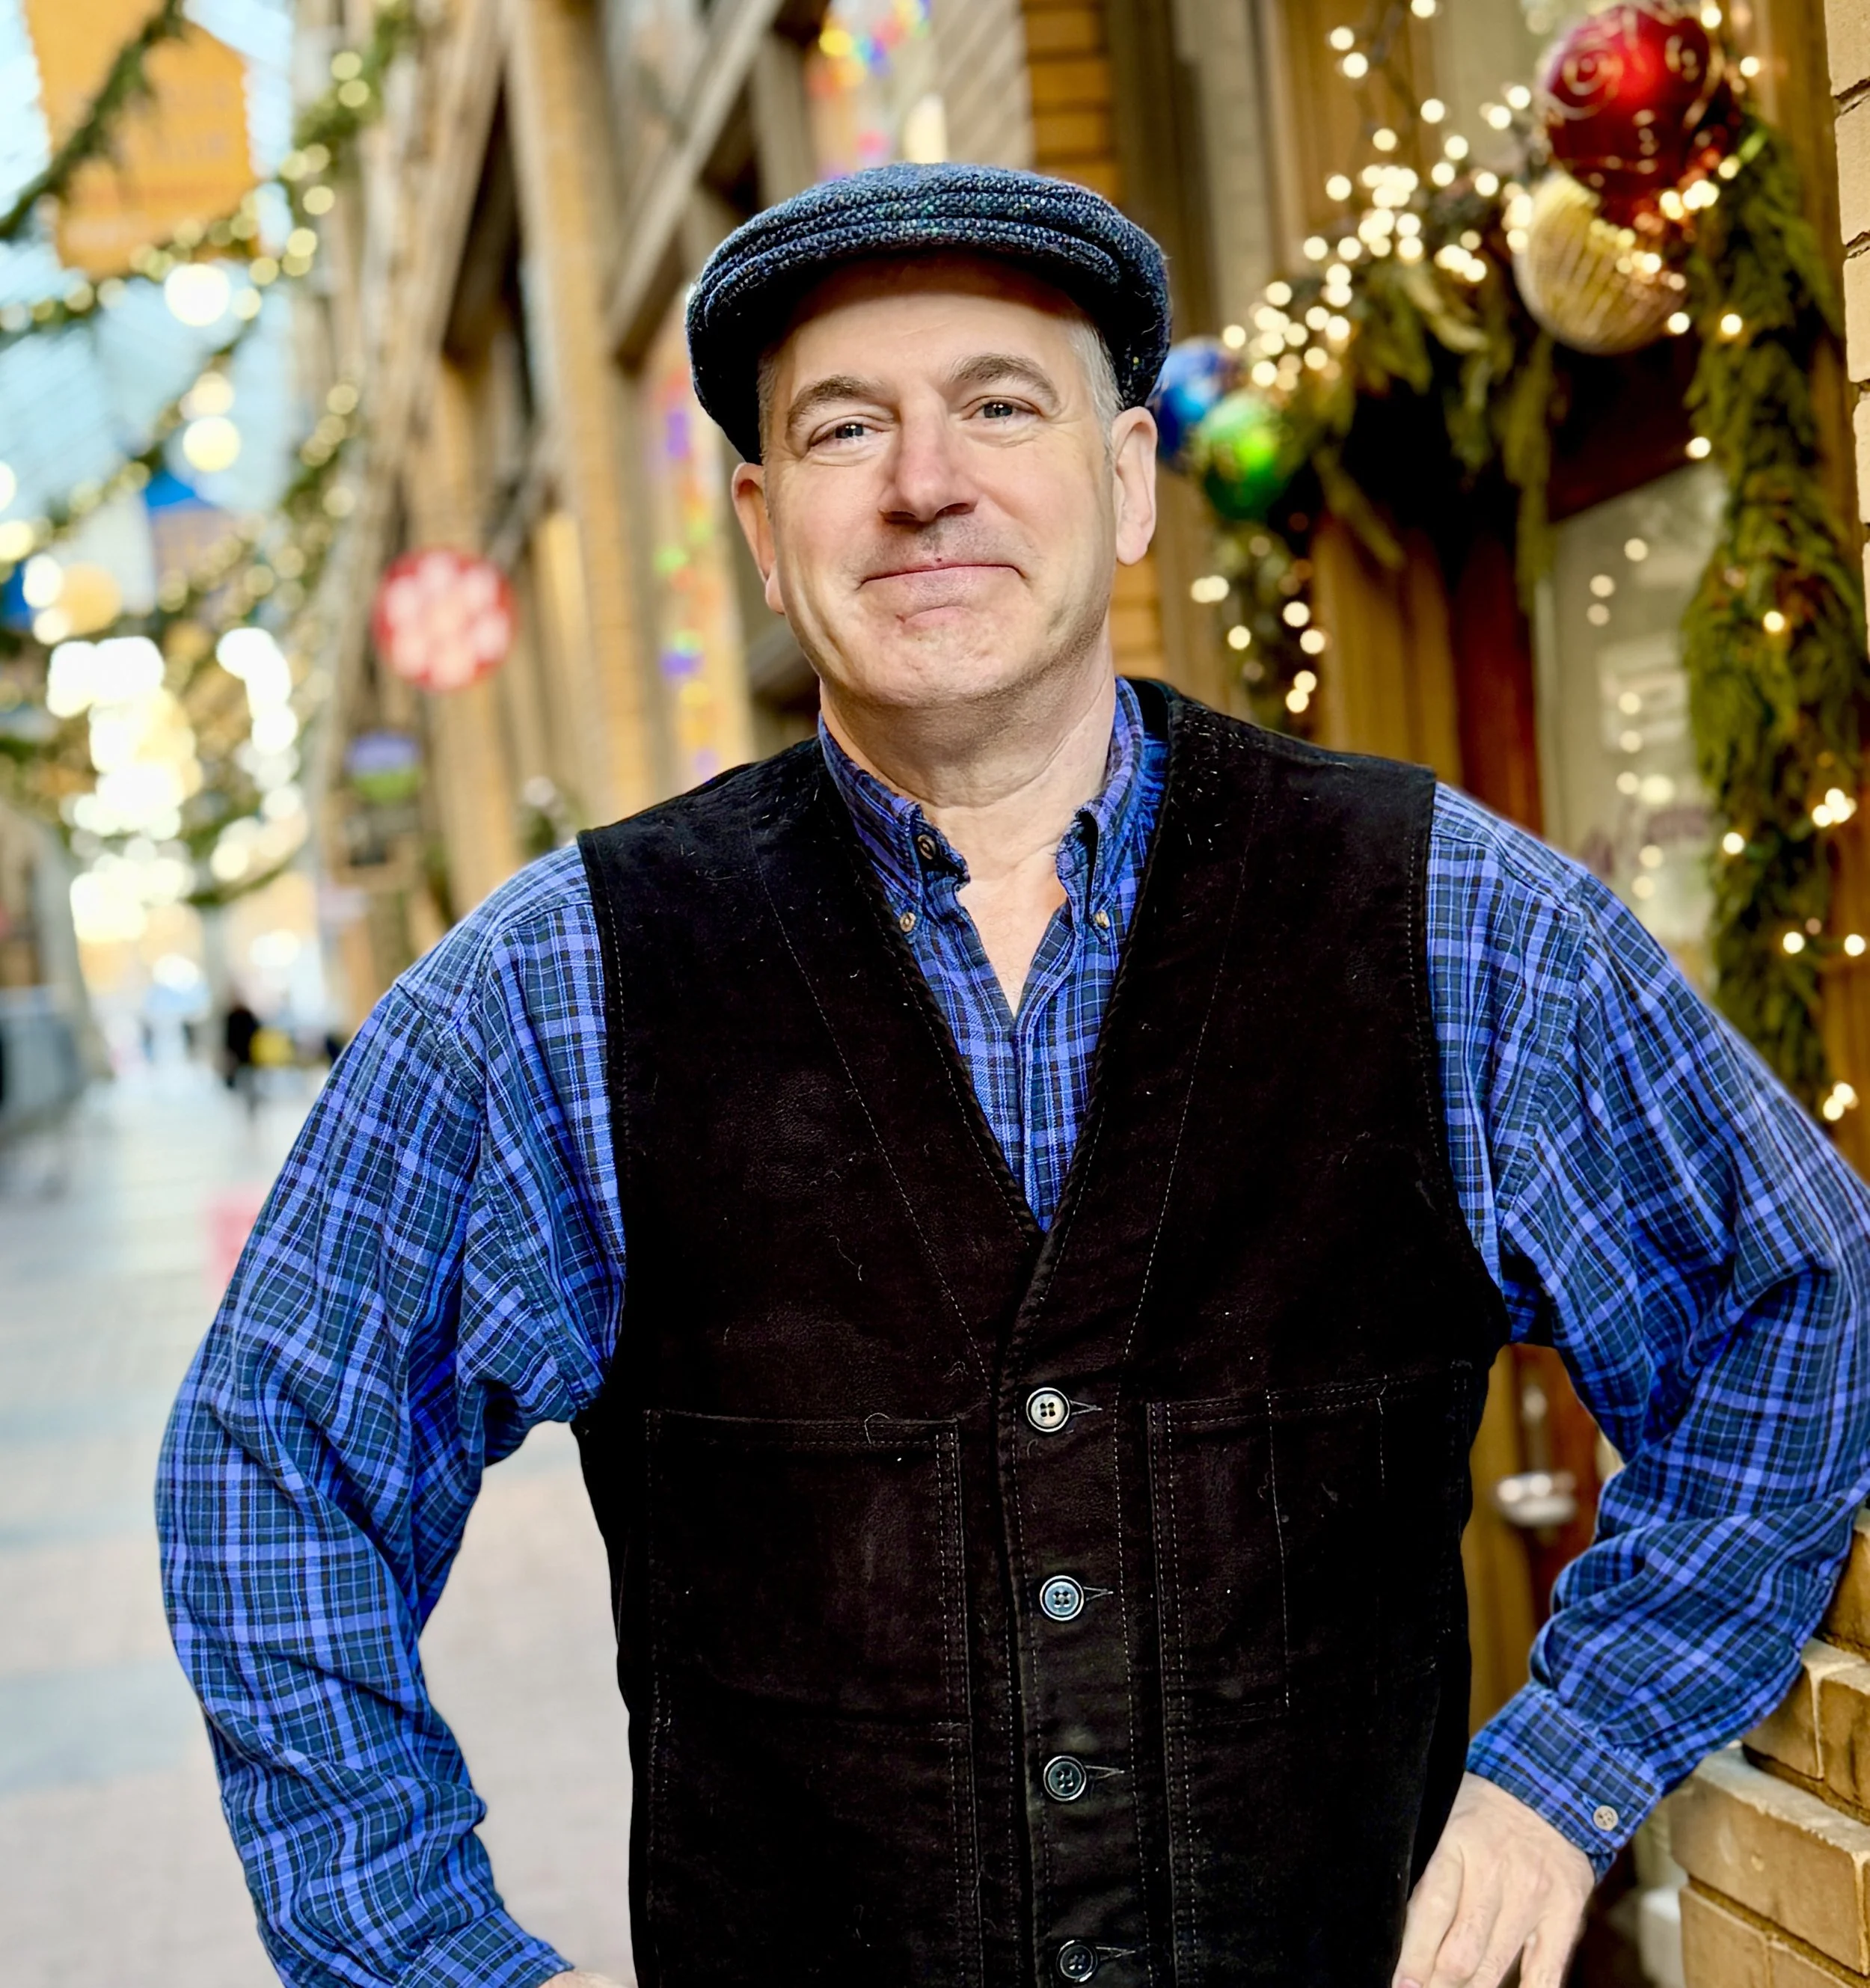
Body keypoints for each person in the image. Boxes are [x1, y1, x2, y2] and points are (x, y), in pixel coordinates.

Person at [158, 164, 1870, 1988]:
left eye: (998, 405)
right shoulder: (560, 986)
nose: (924, 480)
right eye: (843, 427)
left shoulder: (1446, 919)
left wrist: (1564, 1769)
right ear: (762, 526)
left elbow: (1792, 1296)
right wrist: (425, 1955)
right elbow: (272, 1469)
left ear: (1125, 480)